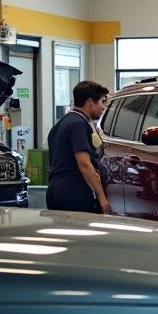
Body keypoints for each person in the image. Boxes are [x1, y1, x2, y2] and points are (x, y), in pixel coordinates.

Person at [46, 80, 112, 214]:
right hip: (73, 194)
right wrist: (101, 197)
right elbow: (84, 164)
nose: (103, 107)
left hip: (55, 190)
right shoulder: (78, 125)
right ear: (90, 102)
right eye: (102, 102)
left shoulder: (62, 122)